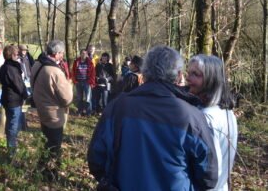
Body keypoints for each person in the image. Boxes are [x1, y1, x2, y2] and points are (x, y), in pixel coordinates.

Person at [88, 45, 218, 190]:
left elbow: (96, 161)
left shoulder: (117, 107)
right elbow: (208, 177)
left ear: (144, 72)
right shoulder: (192, 116)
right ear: (180, 75)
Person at [186, 55, 238, 191]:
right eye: (188, 73)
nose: (187, 78)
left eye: (195, 74)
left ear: (211, 80)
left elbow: (209, 170)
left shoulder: (206, 117)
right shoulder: (227, 112)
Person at [30, 40, 73, 177]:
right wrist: (69, 87)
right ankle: (50, 174)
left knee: (46, 142)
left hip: (42, 109)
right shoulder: (55, 71)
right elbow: (67, 98)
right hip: (54, 114)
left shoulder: (37, 64)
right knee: (54, 144)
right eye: (61, 53)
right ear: (57, 53)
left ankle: (42, 168)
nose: (62, 55)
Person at [0, 45, 28, 152]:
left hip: (8, 99)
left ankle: (11, 145)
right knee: (13, 125)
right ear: (11, 55)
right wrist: (25, 94)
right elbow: (18, 83)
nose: (17, 56)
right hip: (13, 100)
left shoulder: (4, 67)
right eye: (16, 54)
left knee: (11, 123)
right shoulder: (11, 68)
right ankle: (12, 149)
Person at [72, 49, 95, 116]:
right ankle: (79, 111)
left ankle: (88, 113)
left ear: (87, 54)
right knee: (80, 98)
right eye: (82, 53)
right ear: (80, 54)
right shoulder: (76, 62)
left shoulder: (90, 62)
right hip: (78, 82)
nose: (83, 55)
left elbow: (93, 73)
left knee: (88, 98)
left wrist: (91, 82)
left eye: (85, 53)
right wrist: (75, 81)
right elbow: (73, 72)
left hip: (87, 82)